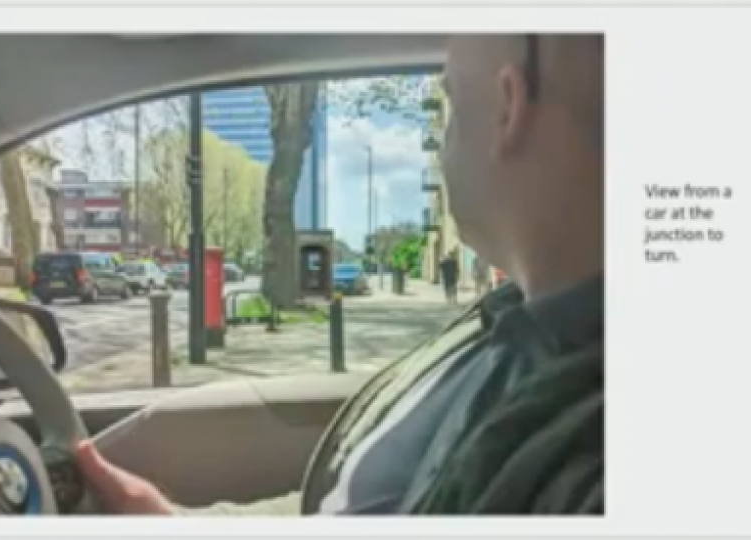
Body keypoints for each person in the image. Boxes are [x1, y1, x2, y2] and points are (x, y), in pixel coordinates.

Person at [75, 33, 604, 515]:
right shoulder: (500, 323)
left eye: (452, 108)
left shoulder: (590, 467)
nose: (443, 145)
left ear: (506, 108)